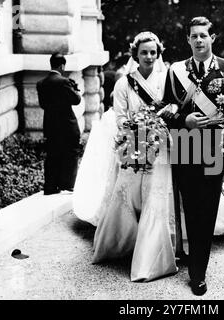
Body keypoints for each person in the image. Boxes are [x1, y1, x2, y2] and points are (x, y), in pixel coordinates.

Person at [79, 32, 178, 282]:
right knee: (126, 196)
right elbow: (120, 117)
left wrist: (162, 120)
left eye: (153, 52)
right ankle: (121, 243)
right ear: (136, 54)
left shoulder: (166, 79)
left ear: (158, 54)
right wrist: (137, 129)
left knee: (155, 199)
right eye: (144, 52)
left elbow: (175, 107)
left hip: (160, 149)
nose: (148, 56)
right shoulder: (124, 83)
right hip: (132, 146)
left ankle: (150, 259)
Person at [161, 16, 224, 295]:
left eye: (203, 35)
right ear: (188, 40)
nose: (199, 40)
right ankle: (193, 257)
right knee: (190, 206)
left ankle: (198, 273)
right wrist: (184, 120)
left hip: (213, 145)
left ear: (213, 38)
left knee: (207, 208)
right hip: (186, 144)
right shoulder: (176, 71)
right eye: (194, 36)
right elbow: (166, 107)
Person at [36, 52, 82, 195]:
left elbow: (43, 105)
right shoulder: (64, 82)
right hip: (67, 124)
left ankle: (50, 186)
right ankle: (67, 184)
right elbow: (77, 100)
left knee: (52, 155)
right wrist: (75, 89)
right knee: (71, 152)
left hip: (50, 125)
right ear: (62, 65)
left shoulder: (41, 83)